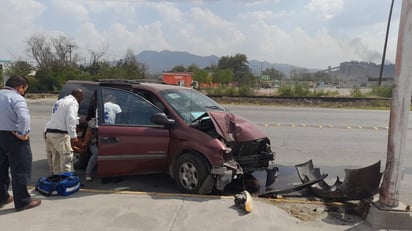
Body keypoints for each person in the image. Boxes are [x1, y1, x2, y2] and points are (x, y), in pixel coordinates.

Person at [0, 75, 41, 211]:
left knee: (1, 169)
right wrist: (22, 134)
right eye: (24, 89)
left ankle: (3, 197)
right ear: (20, 87)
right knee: (20, 169)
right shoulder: (16, 98)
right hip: (14, 137)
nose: (23, 92)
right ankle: (23, 201)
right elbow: (23, 118)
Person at [45, 89, 84, 174]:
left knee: (56, 160)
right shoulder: (72, 103)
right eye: (82, 97)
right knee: (67, 159)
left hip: (50, 133)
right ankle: (68, 182)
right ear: (78, 96)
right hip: (60, 135)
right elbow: (71, 120)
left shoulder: (60, 101)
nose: (82, 99)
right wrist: (74, 136)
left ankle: (58, 181)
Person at [81, 117, 98, 182]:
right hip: (93, 142)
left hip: (105, 141)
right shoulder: (93, 122)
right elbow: (88, 133)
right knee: (96, 153)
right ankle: (88, 173)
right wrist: (85, 143)